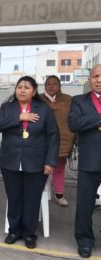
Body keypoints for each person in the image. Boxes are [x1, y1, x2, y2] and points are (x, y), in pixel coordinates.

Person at [0, 76, 59, 249]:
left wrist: (50, 162)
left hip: (36, 162)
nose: (22, 90)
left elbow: (53, 136)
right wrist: (19, 117)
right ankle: (14, 231)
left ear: (34, 91)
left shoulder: (44, 109)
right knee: (14, 198)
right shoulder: (7, 108)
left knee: (32, 199)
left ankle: (29, 233)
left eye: (27, 87)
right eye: (19, 86)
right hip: (10, 161)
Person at [69, 64, 101, 258]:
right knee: (85, 204)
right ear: (90, 80)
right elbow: (74, 124)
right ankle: (85, 241)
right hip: (90, 161)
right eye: (96, 76)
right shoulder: (79, 101)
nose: (99, 79)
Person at [40, 75, 75, 207]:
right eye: (49, 84)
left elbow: (73, 119)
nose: (51, 86)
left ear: (60, 86)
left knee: (59, 168)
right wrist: (50, 107)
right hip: (42, 141)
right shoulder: (39, 99)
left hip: (63, 141)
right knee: (41, 169)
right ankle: (40, 193)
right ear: (45, 86)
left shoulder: (68, 99)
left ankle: (59, 195)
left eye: (55, 84)